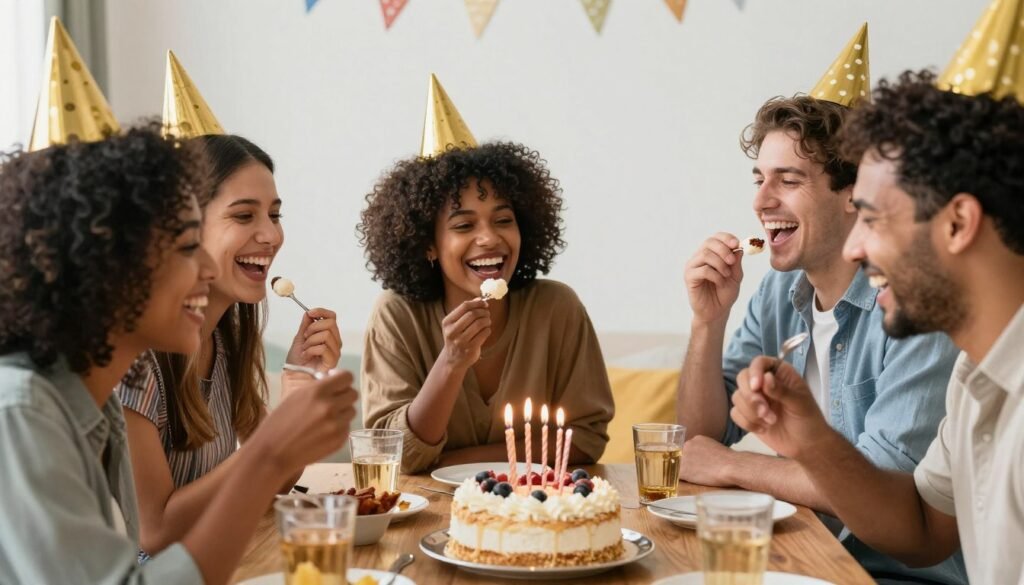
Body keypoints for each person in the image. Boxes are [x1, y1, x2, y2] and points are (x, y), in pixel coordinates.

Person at [0, 123, 357, 585]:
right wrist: (267, 451)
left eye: (275, 214)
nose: (207, 267)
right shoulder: (22, 412)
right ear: (109, 261)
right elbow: (153, 540)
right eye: (189, 245)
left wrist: (282, 431)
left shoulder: (96, 399)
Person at [676, 26, 965, 582]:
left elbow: (883, 489)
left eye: (788, 180)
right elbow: (699, 441)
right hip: (799, 561)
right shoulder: (777, 294)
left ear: (853, 195)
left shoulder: (915, 310)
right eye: (759, 178)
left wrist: (737, 467)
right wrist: (707, 321)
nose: (761, 201)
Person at [730, 68, 1024, 585]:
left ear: (957, 223)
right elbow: (920, 529)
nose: (853, 248)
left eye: (871, 218)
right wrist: (814, 442)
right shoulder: (974, 378)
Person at [358, 75, 614, 474]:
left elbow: (584, 438)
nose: (489, 238)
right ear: (428, 243)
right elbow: (393, 457)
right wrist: (451, 361)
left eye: (503, 220)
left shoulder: (557, 308)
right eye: (463, 226)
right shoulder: (396, 315)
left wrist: (451, 462)